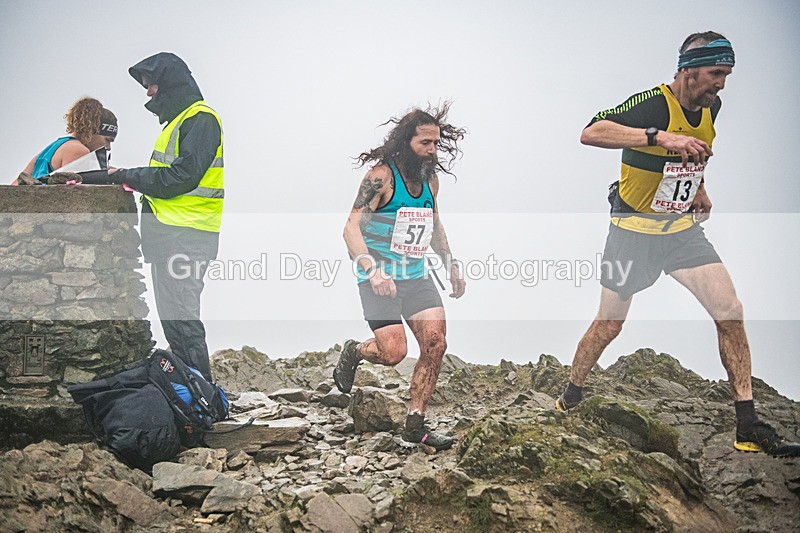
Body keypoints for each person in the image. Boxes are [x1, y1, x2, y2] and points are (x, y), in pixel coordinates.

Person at [555, 32, 800, 458]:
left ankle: (748, 424)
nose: (721, 84)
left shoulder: (712, 108)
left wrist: (700, 186)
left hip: (680, 232)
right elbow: (590, 133)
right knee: (609, 324)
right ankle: (571, 394)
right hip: (631, 233)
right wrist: (661, 137)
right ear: (688, 69)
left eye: (726, 75)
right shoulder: (653, 104)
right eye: (715, 73)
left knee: (730, 311)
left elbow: (696, 152)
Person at [336, 103, 467, 451]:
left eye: (437, 144)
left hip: (416, 277)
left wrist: (450, 263)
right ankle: (355, 351)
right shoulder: (381, 177)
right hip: (378, 279)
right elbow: (350, 228)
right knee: (393, 353)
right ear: (406, 142)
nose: (432, 151)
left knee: (435, 345)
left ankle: (415, 424)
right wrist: (371, 268)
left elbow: (434, 224)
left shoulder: (430, 181)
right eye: (425, 143)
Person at [99, 52, 223, 382]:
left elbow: (181, 177)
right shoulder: (182, 121)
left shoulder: (201, 119)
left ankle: (203, 399)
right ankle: (193, 397)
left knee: (183, 321)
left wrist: (125, 175)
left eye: (151, 85)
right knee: (174, 323)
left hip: (187, 236)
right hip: (173, 236)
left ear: (169, 83)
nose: (148, 93)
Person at [15, 97, 117, 184]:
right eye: (107, 140)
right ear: (91, 131)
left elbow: (15, 185)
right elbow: (78, 194)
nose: (108, 147)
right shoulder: (78, 150)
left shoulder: (52, 148)